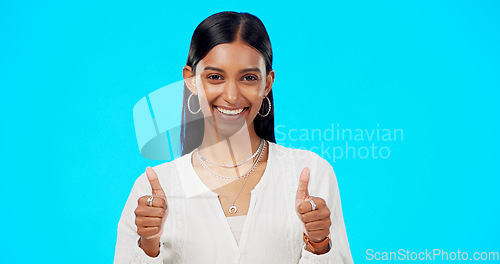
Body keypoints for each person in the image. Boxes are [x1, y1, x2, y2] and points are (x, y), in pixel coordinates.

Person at [114, 11, 353, 264]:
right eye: (215, 77)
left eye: (248, 78)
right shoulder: (154, 189)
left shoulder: (311, 173)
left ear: (268, 83)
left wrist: (319, 245)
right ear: (191, 81)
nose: (231, 95)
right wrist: (149, 245)